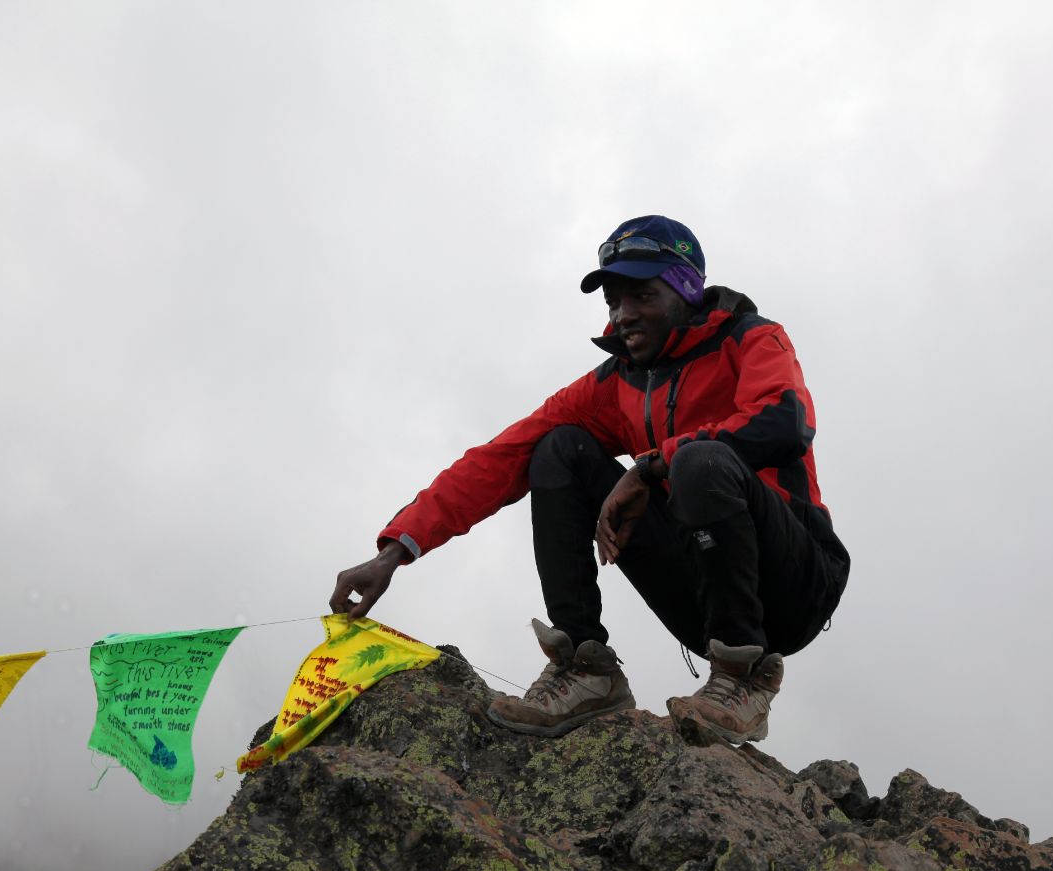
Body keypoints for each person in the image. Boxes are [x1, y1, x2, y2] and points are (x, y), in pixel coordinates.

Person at [329, 216, 849, 745]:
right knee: (557, 448)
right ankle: (585, 667)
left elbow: (783, 423)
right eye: (613, 301)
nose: (623, 315)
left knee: (700, 461)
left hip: (795, 584)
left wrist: (652, 466)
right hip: (700, 595)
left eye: (642, 295)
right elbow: (500, 458)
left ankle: (743, 679)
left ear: (686, 290)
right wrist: (395, 551)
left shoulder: (752, 339)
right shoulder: (615, 384)